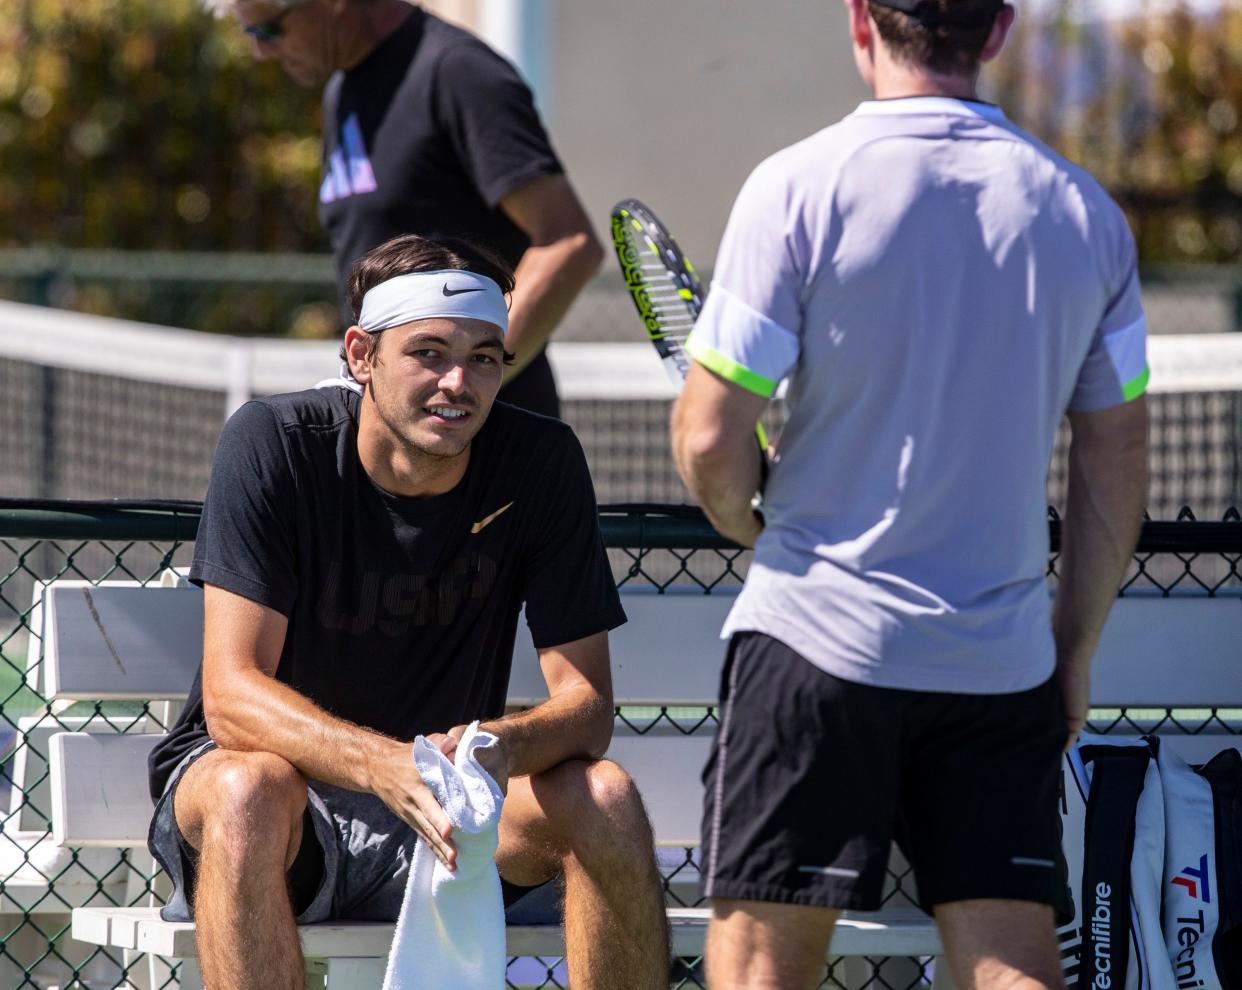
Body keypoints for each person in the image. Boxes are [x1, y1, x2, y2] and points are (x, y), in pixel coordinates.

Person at [670, 1, 1150, 988]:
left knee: (761, 969)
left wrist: (749, 524)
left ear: (859, 21)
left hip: (811, 643)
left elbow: (710, 438)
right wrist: (1071, 651)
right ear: (998, 29)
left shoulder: (796, 187)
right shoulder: (1087, 216)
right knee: (1013, 965)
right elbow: (1116, 467)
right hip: (1001, 666)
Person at [148, 234, 669, 989]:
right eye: (429, 351)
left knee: (606, 795)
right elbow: (232, 699)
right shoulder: (273, 443)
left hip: (450, 819)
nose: (459, 382)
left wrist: (501, 748)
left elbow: (587, 708)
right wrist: (387, 765)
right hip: (282, 817)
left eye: (486, 357)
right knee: (247, 790)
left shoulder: (542, 461)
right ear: (361, 355)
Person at [212, 0, 603, 419]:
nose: (262, 52)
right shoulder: (341, 92)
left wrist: (465, 387)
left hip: (484, 443)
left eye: (269, 31)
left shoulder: (458, 73)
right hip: (395, 441)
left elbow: (570, 243)